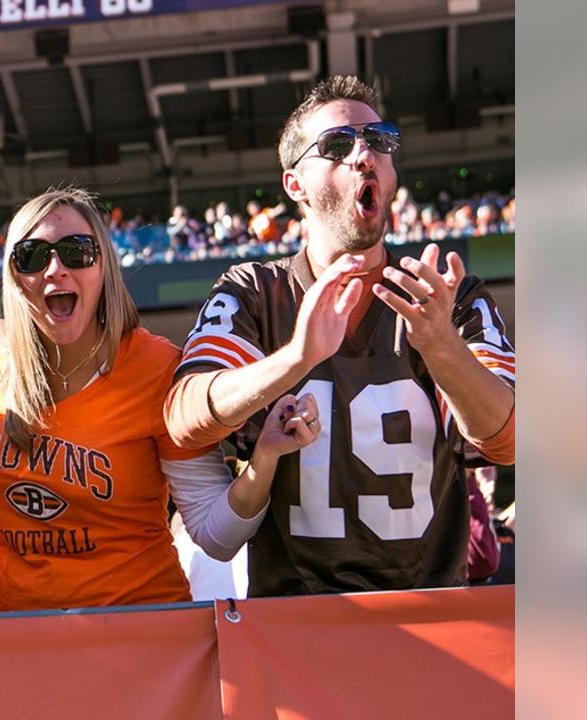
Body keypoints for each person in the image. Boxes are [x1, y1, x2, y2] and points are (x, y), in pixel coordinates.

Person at [0, 187, 317, 612]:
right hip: (18, 639)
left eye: (76, 252)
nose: (54, 269)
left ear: (103, 266)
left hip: (137, 640)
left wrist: (266, 456)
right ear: (13, 276)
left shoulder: (155, 367)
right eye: (31, 256)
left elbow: (216, 535)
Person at [163, 76, 516, 596]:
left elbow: (508, 440)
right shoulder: (256, 293)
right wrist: (295, 357)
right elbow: (183, 418)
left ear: (391, 171)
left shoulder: (446, 296)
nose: (363, 155)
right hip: (294, 632)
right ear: (295, 186)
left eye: (378, 140)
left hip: (431, 617)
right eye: (337, 145)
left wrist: (443, 349)